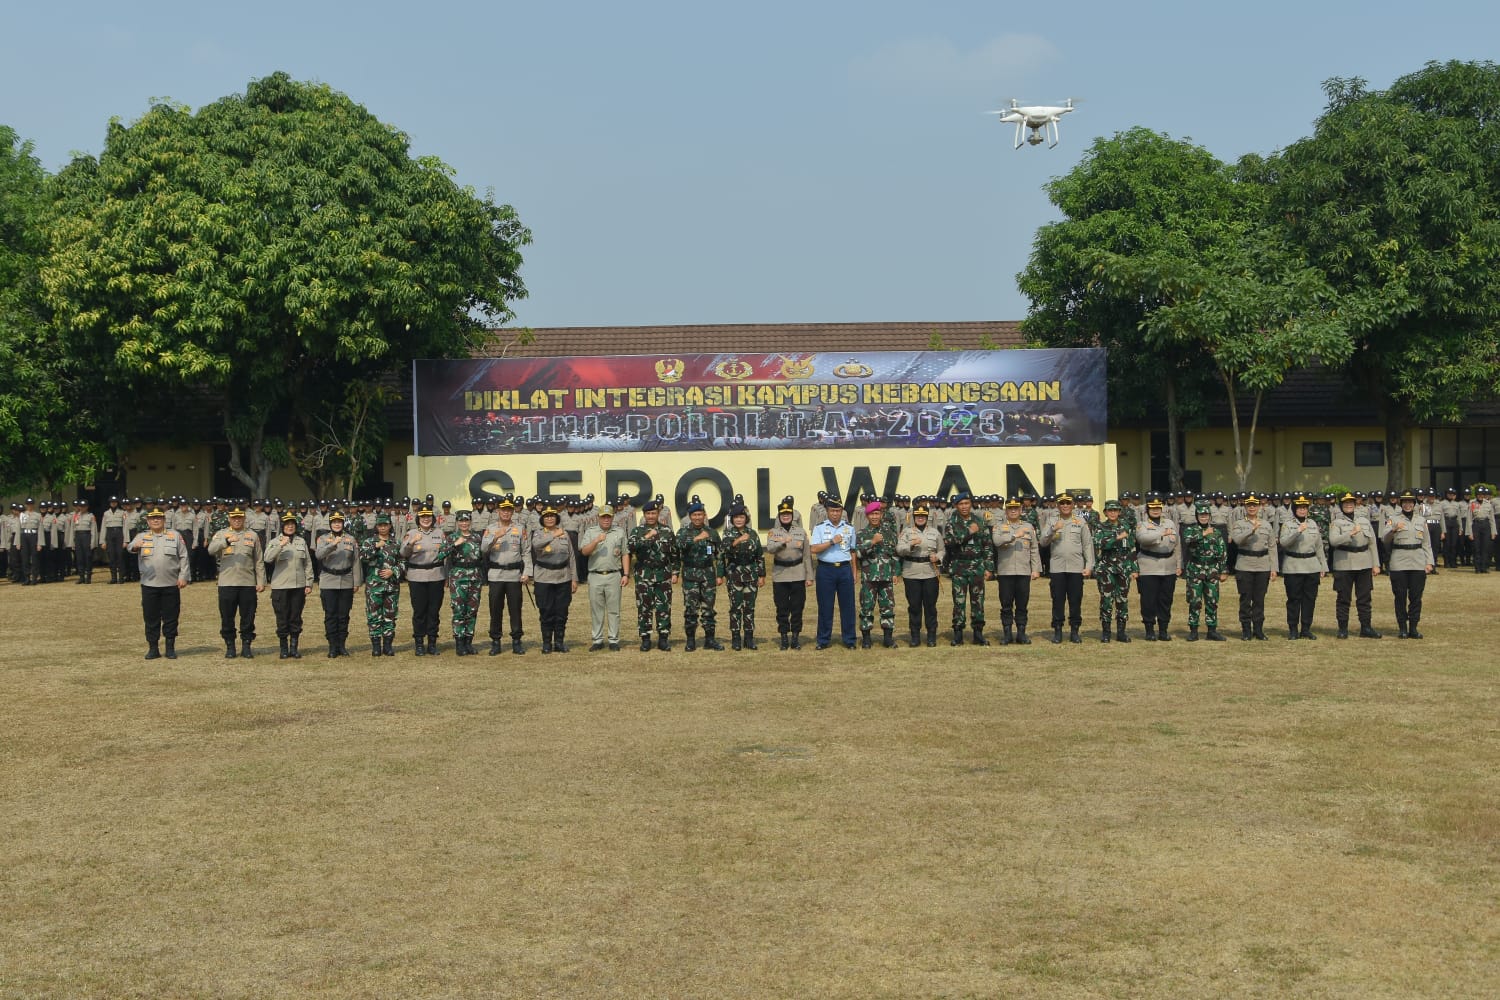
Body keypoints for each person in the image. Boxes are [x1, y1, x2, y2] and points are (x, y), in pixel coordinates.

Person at [127, 507, 191, 659]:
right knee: (151, 617)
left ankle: (170, 647)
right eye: (152, 518)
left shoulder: (174, 535)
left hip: (170, 583)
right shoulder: (142, 536)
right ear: (148, 521)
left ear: (164, 520)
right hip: (149, 584)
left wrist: (184, 576)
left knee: (171, 617)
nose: (156, 520)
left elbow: (183, 556)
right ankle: (153, 648)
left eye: (159, 518)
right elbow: (130, 547)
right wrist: (136, 546)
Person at [208, 506, 265, 658]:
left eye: (240, 517)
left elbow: (259, 560)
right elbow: (211, 549)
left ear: (244, 518)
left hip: (247, 583)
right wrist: (226, 542)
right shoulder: (221, 534)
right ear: (229, 519)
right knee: (227, 616)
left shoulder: (252, 535)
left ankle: (246, 645)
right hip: (227, 583)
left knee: (248, 616)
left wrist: (261, 581)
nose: (237, 520)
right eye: (234, 518)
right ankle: (230, 646)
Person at [481, 495, 532, 655]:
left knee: (515, 609)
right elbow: (483, 549)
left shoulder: (520, 528)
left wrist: (527, 572)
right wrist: (496, 536)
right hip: (496, 575)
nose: (506, 513)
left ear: (512, 512)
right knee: (495, 609)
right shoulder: (490, 529)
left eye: (509, 510)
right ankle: (496, 641)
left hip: (514, 576)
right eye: (503, 510)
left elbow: (526, 552)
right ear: (498, 511)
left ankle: (516, 640)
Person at [1328, 491, 1381, 639]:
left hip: (1364, 562)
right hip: (1344, 563)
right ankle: (1343, 628)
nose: (1349, 505)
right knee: (1343, 598)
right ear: (1341, 505)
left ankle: (1366, 627)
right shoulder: (1336, 523)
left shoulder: (1364, 521)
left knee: (1364, 598)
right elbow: (1333, 541)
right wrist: (1349, 534)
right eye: (1346, 503)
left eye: (1351, 503)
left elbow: (1372, 543)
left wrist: (1375, 563)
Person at [628, 499, 679, 651]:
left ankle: (663, 638)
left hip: (663, 574)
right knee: (644, 607)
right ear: (644, 515)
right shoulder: (637, 531)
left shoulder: (667, 531)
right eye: (648, 513)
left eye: (653, 513)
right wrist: (647, 536)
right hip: (644, 574)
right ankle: (645, 638)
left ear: (658, 514)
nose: (651, 516)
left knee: (664, 606)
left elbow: (674, 553)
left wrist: (676, 572)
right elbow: (630, 548)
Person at [676, 497, 725, 651]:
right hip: (690, 575)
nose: (697, 517)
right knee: (691, 609)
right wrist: (696, 539)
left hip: (708, 575)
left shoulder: (712, 532)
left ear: (704, 515)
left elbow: (720, 555)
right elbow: (678, 547)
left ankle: (710, 639)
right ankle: (690, 640)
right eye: (694, 515)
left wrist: (720, 574)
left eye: (700, 514)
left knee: (708, 609)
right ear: (690, 517)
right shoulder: (683, 532)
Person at [943, 492, 992, 646]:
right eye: (961, 504)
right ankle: (958, 634)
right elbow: (951, 542)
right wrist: (969, 532)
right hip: (959, 566)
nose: (964, 507)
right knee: (959, 601)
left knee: (978, 601)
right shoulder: (952, 522)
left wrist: (989, 567)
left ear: (971, 504)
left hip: (977, 566)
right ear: (956, 506)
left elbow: (987, 545)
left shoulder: (979, 521)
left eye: (966, 503)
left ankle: (978, 633)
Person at [1383, 490, 1435, 638]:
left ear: (1414, 504)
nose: (1407, 504)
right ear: (1401, 504)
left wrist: (1429, 562)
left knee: (1416, 597)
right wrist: (1393, 530)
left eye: (1410, 502)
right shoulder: (1393, 519)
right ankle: (1402, 628)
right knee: (1400, 596)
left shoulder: (1421, 520)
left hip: (1418, 561)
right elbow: (1384, 539)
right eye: (1405, 502)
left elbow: (1426, 543)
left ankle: (1413, 627)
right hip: (1399, 561)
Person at [401, 504, 450, 656]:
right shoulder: (411, 533)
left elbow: (446, 556)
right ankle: (419, 643)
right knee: (419, 611)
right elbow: (403, 552)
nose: (426, 519)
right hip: (417, 576)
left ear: (433, 518)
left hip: (436, 575)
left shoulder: (440, 533)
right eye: (423, 517)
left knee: (434, 611)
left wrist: (447, 576)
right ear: (418, 519)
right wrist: (412, 542)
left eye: (428, 517)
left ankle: (432, 643)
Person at [765, 497, 813, 649]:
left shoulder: (800, 532)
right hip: (780, 575)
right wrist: (783, 542)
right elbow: (771, 549)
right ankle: (784, 637)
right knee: (782, 607)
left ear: (792, 515)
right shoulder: (773, 532)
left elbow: (806, 556)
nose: (786, 517)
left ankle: (796, 637)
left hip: (798, 573)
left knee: (797, 607)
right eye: (783, 514)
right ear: (779, 516)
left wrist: (809, 576)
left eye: (788, 514)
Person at [264, 512, 314, 659]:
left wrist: (309, 582)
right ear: (282, 526)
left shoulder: (301, 541)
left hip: (298, 586)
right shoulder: (274, 541)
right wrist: (281, 545)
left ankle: (294, 647)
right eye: (287, 524)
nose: (290, 526)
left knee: (295, 617)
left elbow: (308, 564)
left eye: (292, 524)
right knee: (282, 617)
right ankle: (283, 647)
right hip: (281, 586)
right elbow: (267, 558)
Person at [809, 495, 857, 650]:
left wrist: (854, 571)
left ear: (842, 511)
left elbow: (853, 551)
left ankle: (849, 640)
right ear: (827, 511)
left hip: (844, 569)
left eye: (838, 511)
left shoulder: (849, 528)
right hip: (826, 570)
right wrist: (831, 542)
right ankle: (823, 640)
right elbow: (814, 549)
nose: (835, 514)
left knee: (848, 607)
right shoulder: (820, 528)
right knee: (825, 606)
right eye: (832, 511)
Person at [1045, 494, 1094, 644]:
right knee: (1057, 600)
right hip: (1057, 567)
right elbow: (1043, 541)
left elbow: (1087, 544)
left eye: (1068, 503)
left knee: (1075, 600)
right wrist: (1053, 529)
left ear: (1073, 505)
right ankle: (1058, 630)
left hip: (1076, 567)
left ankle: (1074, 631)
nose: (1065, 505)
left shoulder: (1080, 521)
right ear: (1058, 505)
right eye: (1062, 503)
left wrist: (1089, 565)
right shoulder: (1052, 520)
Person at [579, 505, 630, 651]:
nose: (606, 519)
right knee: (597, 610)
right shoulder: (591, 531)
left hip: (614, 574)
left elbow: (625, 553)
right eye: (603, 517)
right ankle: (598, 639)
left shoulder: (619, 531)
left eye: (609, 517)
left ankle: (614, 640)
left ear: (613, 517)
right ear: (598, 518)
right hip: (595, 575)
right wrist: (596, 541)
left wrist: (626, 574)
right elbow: (584, 551)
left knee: (614, 610)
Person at [1278, 495, 1328, 640]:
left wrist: (1322, 565)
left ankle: (1306, 628)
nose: (1302, 510)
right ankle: (1293, 629)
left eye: (1304, 508)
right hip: (1294, 566)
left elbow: (1319, 546)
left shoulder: (1313, 523)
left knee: (1309, 599)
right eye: (1299, 508)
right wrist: (1298, 531)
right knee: (1294, 599)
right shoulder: (1288, 524)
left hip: (1311, 566)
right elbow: (1284, 542)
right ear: (1295, 509)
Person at [531, 504, 579, 653]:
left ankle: (559, 642)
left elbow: (571, 556)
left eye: (552, 516)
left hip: (563, 577)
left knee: (561, 611)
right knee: (545, 610)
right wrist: (553, 535)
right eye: (546, 516)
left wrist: (574, 578)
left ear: (556, 518)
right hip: (544, 577)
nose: (550, 518)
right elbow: (536, 545)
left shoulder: (565, 533)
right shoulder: (538, 533)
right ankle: (546, 643)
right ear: (542, 519)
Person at [990, 498, 1039, 645]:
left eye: (1016, 508)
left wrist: (1036, 569)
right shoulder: (999, 527)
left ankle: (1021, 634)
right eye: (1010, 508)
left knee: (1022, 604)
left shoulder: (1029, 527)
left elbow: (1034, 549)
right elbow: (997, 542)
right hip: (1006, 571)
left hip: (1024, 571)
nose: (1013, 510)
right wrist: (1014, 535)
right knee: (1006, 604)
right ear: (1006, 510)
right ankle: (1007, 634)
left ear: (1021, 510)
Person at [898, 501, 945, 647]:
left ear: (927, 517)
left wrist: (938, 557)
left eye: (923, 516)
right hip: (911, 572)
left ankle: (931, 635)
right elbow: (899, 549)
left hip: (930, 572)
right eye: (917, 516)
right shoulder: (907, 532)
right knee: (914, 606)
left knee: (930, 605)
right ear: (914, 517)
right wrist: (910, 545)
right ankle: (915, 636)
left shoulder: (934, 532)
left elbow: (942, 549)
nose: (920, 518)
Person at [1231, 495, 1278, 641]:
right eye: (1249, 505)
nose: (1252, 507)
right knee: (1245, 599)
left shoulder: (1266, 524)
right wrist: (1251, 530)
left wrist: (1274, 568)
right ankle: (1246, 630)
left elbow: (1272, 546)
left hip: (1263, 565)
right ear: (1245, 507)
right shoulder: (1239, 523)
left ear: (1259, 507)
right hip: (1245, 565)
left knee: (1259, 599)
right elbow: (1237, 540)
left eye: (1254, 505)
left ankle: (1258, 629)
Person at [854, 500, 900, 648]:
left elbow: (894, 554)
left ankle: (887, 638)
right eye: (872, 514)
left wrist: (895, 572)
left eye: (877, 513)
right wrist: (872, 542)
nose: (874, 516)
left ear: (881, 514)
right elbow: (859, 554)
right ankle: (866, 638)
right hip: (869, 577)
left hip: (886, 577)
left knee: (887, 607)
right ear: (867, 516)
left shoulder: (889, 533)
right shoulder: (862, 534)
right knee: (867, 607)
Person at [1180, 501, 1228, 641]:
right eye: (1201, 515)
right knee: (1195, 600)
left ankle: (1211, 630)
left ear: (1209, 516)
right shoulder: (1191, 530)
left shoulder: (1216, 532)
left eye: (1206, 515)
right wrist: (1203, 533)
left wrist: (1223, 569)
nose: (1203, 517)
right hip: (1196, 569)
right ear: (1197, 516)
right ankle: (1193, 630)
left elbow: (1222, 551)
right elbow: (1188, 541)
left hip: (1212, 570)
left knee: (1212, 600)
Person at [1094, 500, 1140, 643]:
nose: (1113, 513)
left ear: (1119, 512)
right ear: (1106, 512)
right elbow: (1098, 544)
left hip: (1123, 569)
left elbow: (1132, 548)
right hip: (1106, 569)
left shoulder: (1126, 526)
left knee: (1122, 600)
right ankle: (1106, 632)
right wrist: (1116, 538)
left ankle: (1121, 632)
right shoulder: (1100, 527)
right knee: (1106, 599)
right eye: (1110, 510)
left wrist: (1134, 568)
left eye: (1115, 510)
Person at [720, 500, 764, 650]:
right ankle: (736, 638)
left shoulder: (752, 534)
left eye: (742, 517)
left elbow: (759, 555)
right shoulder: (728, 533)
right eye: (736, 517)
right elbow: (724, 550)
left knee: (749, 608)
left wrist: (762, 575)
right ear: (732, 519)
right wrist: (738, 540)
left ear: (746, 518)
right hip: (734, 575)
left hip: (751, 575)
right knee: (735, 608)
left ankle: (749, 638)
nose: (739, 519)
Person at [315, 510, 360, 657]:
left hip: (346, 580)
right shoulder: (323, 539)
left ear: (343, 523)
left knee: (343, 615)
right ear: (330, 524)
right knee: (330, 615)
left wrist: (357, 581)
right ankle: (332, 646)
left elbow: (356, 561)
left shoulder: (351, 539)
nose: (337, 524)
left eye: (339, 522)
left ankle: (342, 644)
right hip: (328, 580)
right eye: (334, 522)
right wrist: (331, 545)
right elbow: (318, 555)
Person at [1135, 497, 1179, 641]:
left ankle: (1163, 630)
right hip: (1149, 566)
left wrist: (1179, 564)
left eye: (1158, 508)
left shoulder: (1170, 523)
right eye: (1152, 508)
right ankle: (1149, 629)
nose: (1155, 510)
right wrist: (1161, 533)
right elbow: (1143, 539)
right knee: (1149, 600)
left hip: (1169, 567)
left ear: (1162, 509)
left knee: (1166, 599)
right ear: (1148, 510)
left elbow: (1177, 544)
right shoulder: (1142, 525)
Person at [360, 514, 403, 656]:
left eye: (385, 525)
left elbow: (403, 562)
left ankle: (388, 645)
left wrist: (394, 571)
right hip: (374, 586)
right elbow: (363, 557)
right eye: (380, 525)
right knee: (374, 616)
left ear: (390, 526)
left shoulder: (396, 543)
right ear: (376, 527)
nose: (383, 527)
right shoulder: (369, 542)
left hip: (391, 586)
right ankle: (376, 645)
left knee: (390, 615)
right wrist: (376, 547)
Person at [444, 511, 486, 655]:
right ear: (457, 522)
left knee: (472, 611)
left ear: (470, 522)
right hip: (458, 576)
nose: (464, 523)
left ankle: (469, 642)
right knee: (459, 610)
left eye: (466, 521)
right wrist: (455, 544)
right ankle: (459, 643)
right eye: (461, 521)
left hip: (475, 576)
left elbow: (482, 556)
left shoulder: (477, 537)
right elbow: (440, 555)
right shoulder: (452, 537)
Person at [70, 499, 96, 584]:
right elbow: (73, 529)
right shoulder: (76, 516)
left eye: (84, 506)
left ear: (87, 507)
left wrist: (93, 542)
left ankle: (88, 576)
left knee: (87, 557)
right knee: (79, 557)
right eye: (81, 506)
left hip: (86, 535)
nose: (82, 508)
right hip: (78, 536)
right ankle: (81, 576)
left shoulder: (90, 516)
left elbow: (93, 530)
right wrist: (72, 542)